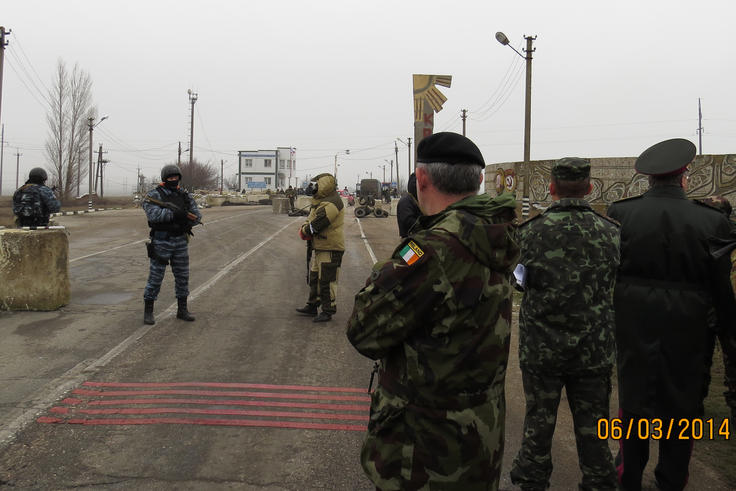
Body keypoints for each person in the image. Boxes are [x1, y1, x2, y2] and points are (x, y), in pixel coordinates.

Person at [346, 132, 520, 490]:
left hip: (423, 453)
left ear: (422, 179)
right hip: (480, 442)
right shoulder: (496, 233)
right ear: (479, 180)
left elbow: (363, 331)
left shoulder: (430, 251)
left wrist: (383, 273)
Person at [607, 138, 734, 491]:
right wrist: (729, 336)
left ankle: (628, 478)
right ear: (684, 176)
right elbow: (722, 290)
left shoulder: (621, 213)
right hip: (689, 330)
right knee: (681, 408)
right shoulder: (712, 221)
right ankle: (672, 480)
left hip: (633, 326)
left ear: (649, 178)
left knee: (634, 405)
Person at [509, 158, 620, 491]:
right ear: (589, 188)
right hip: (593, 349)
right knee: (595, 428)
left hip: (542, 349)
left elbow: (518, 282)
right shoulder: (611, 232)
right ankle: (599, 482)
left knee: (538, 423)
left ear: (552, 188)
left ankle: (532, 481)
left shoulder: (530, 232)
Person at [142, 164, 202, 325]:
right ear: (164, 179)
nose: (173, 180)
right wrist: (174, 213)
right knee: (156, 277)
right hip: (161, 241)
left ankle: (182, 310)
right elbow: (153, 215)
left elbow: (196, 216)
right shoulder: (154, 195)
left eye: (175, 177)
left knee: (183, 276)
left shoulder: (184, 195)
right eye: (170, 177)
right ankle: (148, 311)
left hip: (180, 241)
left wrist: (185, 218)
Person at [295, 173, 345, 323]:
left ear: (322, 186)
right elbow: (311, 219)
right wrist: (306, 228)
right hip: (321, 246)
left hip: (330, 247)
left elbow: (318, 223)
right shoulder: (321, 200)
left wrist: (305, 231)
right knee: (315, 277)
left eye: (315, 185)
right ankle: (313, 305)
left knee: (327, 280)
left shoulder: (332, 203)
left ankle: (328, 310)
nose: (312, 188)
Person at [396, 172, 421, 238]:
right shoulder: (405, 201)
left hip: (416, 236)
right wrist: (425, 226)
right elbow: (408, 221)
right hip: (408, 238)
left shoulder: (415, 199)